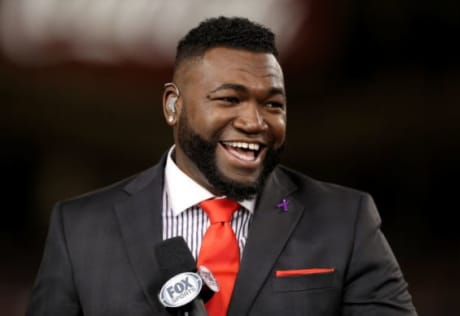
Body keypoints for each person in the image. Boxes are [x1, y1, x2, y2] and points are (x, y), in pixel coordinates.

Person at [27, 16, 417, 316]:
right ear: (172, 106)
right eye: (230, 99)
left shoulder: (344, 222)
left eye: (273, 104)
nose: (255, 121)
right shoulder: (80, 228)